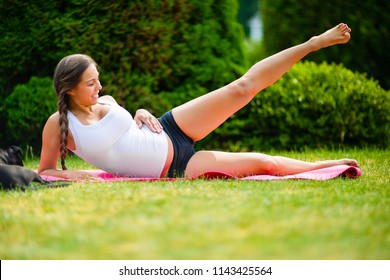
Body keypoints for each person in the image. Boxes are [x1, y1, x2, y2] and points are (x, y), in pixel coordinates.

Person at [38, 23, 358, 181]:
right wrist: (74, 175)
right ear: (69, 89)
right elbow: (45, 170)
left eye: (98, 79)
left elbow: (125, 126)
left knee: (241, 88)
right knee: (266, 165)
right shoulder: (59, 125)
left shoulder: (104, 100)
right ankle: (325, 167)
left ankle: (313, 43)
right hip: (177, 167)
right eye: (91, 83)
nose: (100, 86)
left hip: (170, 127)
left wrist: (141, 111)